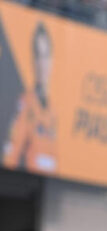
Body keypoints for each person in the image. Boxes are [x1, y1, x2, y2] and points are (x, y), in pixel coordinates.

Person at [3, 22, 57, 173]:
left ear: (52, 59)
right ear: (33, 61)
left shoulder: (53, 110)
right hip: (26, 186)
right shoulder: (25, 105)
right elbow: (11, 155)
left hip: (47, 186)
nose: (42, 64)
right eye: (38, 56)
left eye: (46, 55)